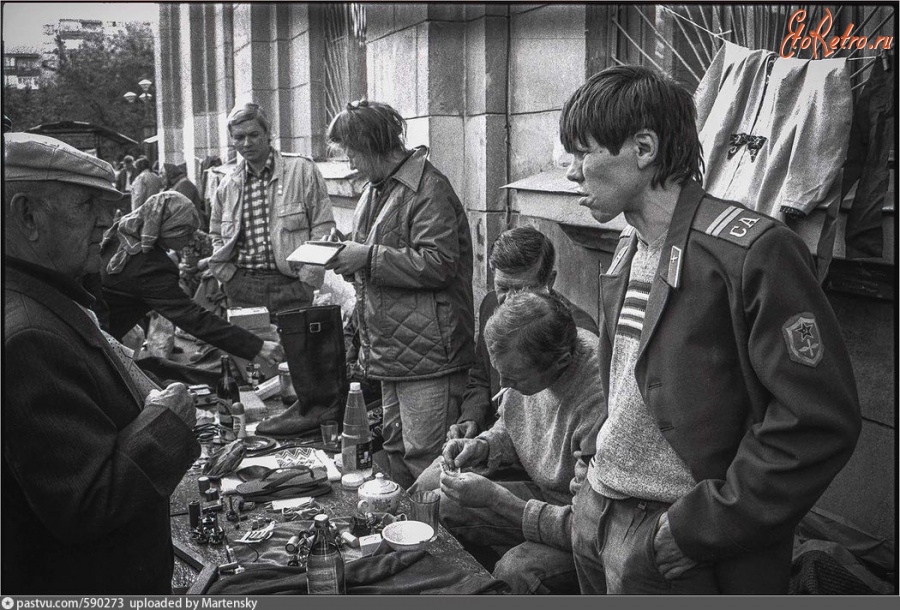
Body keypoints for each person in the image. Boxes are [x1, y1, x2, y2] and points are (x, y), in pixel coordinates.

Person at [560, 65, 861, 594]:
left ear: (644, 147)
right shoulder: (629, 245)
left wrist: (702, 527)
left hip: (676, 541)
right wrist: (595, 470)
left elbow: (817, 421)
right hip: (598, 511)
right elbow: (631, 384)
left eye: (584, 152)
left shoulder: (752, 252)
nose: (571, 173)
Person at [3, 133, 200, 593]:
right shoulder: (29, 334)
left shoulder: (43, 297)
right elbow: (86, 502)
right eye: (88, 205)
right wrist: (166, 424)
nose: (107, 222)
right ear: (28, 215)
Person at [324, 100, 475, 488]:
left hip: (429, 356)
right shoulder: (377, 188)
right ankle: (407, 539)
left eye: (352, 153)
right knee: (395, 450)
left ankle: (439, 544)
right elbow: (381, 245)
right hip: (396, 353)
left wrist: (366, 256)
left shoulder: (428, 187)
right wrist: (343, 248)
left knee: (427, 459)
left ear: (374, 144)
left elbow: (439, 262)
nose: (350, 164)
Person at [433, 291, 604, 594]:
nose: (502, 387)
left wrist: (496, 499)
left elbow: (585, 530)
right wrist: (484, 446)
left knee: (517, 571)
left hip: (583, 524)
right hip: (547, 495)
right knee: (442, 505)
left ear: (561, 361)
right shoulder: (528, 364)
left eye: (514, 379)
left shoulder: (596, 399)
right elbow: (515, 422)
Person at [94, 190, 284, 368]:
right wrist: (258, 346)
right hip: (100, 340)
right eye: (187, 231)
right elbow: (195, 319)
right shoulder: (150, 266)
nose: (192, 238)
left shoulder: (124, 233)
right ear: (169, 229)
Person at [448, 226, 598, 441]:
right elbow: (481, 376)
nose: (509, 300)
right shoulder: (491, 305)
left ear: (550, 281)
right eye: (502, 287)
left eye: (521, 290)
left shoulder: (579, 331)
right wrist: (471, 418)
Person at [209, 102, 336, 316]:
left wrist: (308, 279)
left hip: (292, 286)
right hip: (242, 286)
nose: (246, 143)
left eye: (253, 135)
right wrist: (228, 277)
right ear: (232, 140)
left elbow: (323, 227)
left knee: (296, 348)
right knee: (249, 349)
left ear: (268, 134)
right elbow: (215, 233)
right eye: (239, 138)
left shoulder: (302, 170)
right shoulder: (227, 185)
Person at [163, 162, 206, 230]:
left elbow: (182, 208)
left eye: (162, 174)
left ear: (169, 174)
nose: (160, 176)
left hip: (191, 226)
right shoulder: (177, 184)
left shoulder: (184, 184)